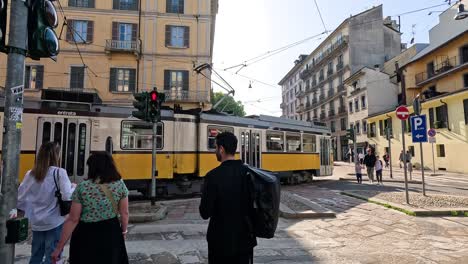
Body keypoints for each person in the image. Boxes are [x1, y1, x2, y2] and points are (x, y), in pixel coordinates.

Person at [51, 152, 129, 264]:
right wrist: (123, 231)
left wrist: (59, 248)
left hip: (86, 234)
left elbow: (73, 219)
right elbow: (124, 212)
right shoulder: (119, 185)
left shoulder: (83, 187)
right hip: (111, 231)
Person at [199, 132, 257, 264]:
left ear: (221, 149)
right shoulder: (249, 173)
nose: (215, 151)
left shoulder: (212, 176)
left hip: (220, 241)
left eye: (215, 148)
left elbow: (204, 213)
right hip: (245, 240)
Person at [17, 142, 74, 264]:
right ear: (56, 155)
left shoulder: (30, 174)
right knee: (52, 255)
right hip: (54, 221)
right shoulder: (60, 173)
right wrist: (73, 187)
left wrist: (23, 211)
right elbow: (67, 196)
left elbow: (21, 196)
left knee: (36, 254)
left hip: (37, 221)